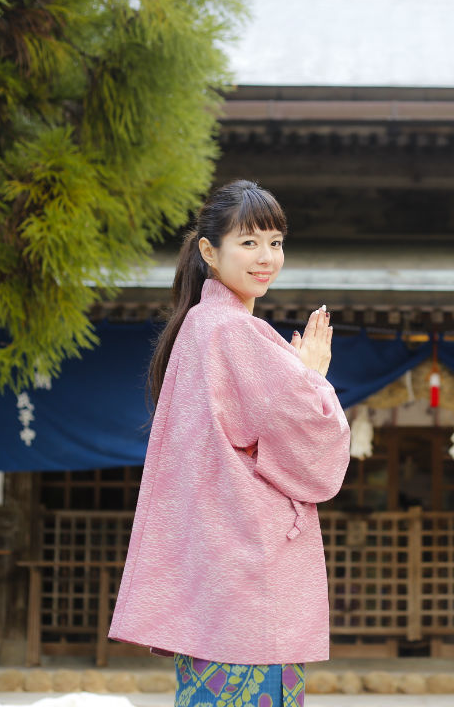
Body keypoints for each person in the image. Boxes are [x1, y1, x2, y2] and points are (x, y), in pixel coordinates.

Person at [110, 180, 350, 707]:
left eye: (275, 242)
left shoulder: (198, 326)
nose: (266, 258)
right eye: (249, 242)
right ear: (208, 251)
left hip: (215, 570)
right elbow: (313, 452)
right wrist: (313, 377)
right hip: (250, 572)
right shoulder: (235, 332)